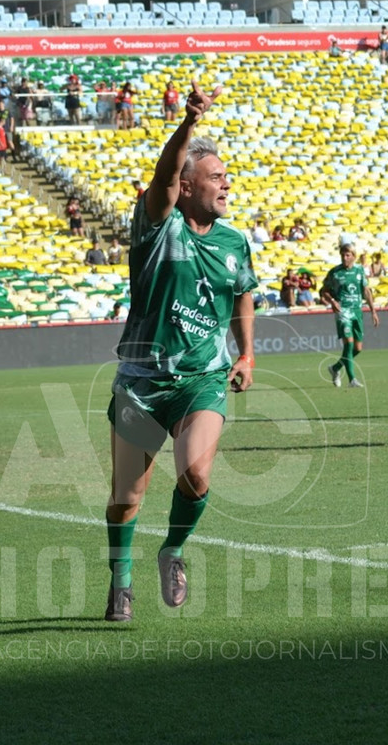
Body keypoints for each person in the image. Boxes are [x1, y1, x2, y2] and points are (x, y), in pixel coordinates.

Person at [103, 81, 256, 623]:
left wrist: (246, 354)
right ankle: (120, 580)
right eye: (215, 177)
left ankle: (172, 549)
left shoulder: (235, 242)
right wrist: (188, 124)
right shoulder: (156, 226)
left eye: (225, 177)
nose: (226, 186)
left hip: (202, 378)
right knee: (126, 497)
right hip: (142, 382)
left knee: (196, 474)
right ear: (186, 186)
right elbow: (163, 176)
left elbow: (242, 295)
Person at [322, 243, 379, 389]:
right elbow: (324, 291)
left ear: (353, 256)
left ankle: (335, 368)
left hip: (357, 311)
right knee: (349, 343)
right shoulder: (335, 272)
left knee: (358, 348)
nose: (344, 257)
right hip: (343, 311)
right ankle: (352, 379)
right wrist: (332, 301)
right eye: (342, 255)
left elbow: (366, 291)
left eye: (347, 255)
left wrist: (373, 310)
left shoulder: (359, 270)